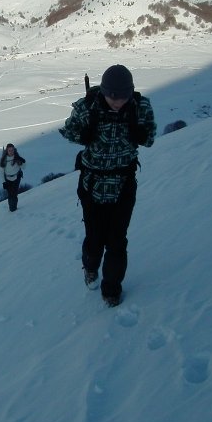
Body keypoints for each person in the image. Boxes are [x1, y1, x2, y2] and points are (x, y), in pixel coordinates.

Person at [59, 65, 157, 306]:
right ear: (103, 91)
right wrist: (85, 130)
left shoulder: (140, 108)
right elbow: (68, 133)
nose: (117, 101)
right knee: (94, 239)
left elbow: (150, 139)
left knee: (117, 241)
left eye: (122, 96)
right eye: (112, 96)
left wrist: (138, 131)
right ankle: (90, 267)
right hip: (92, 185)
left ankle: (111, 290)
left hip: (123, 184)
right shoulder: (87, 107)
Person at [0, 143, 26, 212]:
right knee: (10, 194)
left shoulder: (17, 157)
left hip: (17, 177)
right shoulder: (3, 159)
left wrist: (23, 162)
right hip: (7, 179)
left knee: (14, 193)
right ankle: (12, 208)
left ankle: (14, 209)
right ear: (7, 151)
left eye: (12, 150)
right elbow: (1, 172)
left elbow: (23, 167)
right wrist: (3, 182)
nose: (11, 152)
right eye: (9, 150)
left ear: (14, 150)